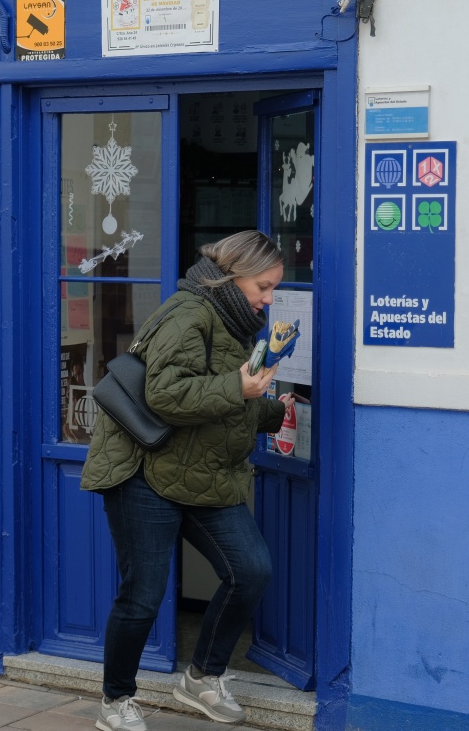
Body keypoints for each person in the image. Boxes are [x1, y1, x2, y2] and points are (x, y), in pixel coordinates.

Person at [81, 230, 297, 731]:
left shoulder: (235, 321)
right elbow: (165, 394)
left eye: (274, 289)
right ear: (233, 276)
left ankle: (202, 677)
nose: (269, 299)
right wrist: (239, 387)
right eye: (263, 287)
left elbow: (225, 399)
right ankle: (116, 700)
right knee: (143, 595)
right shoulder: (189, 312)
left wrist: (273, 411)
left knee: (251, 570)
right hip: (144, 472)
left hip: (199, 473)